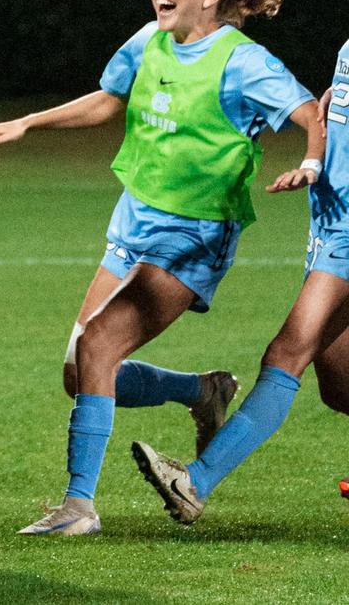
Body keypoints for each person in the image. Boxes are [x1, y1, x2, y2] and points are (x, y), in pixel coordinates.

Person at [0, 0, 323, 535]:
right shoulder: (149, 40)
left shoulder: (244, 63)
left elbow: (310, 113)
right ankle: (201, 391)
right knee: (78, 370)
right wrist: (28, 122)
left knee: (100, 342)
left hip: (195, 235)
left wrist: (310, 163)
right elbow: (109, 100)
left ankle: (78, 508)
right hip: (134, 219)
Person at [132, 34, 349, 524]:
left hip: (348, 233)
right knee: (339, 386)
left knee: (288, 352)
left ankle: (194, 482)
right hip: (330, 220)